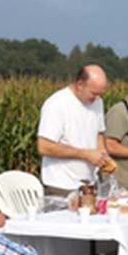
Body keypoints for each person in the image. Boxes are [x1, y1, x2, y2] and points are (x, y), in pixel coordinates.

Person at [37, 64, 111, 196]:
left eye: (100, 94)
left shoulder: (98, 102)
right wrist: (86, 154)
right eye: (93, 93)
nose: (96, 98)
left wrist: (102, 154)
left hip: (89, 184)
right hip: (61, 186)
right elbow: (44, 147)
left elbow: (99, 133)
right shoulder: (57, 104)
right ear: (80, 85)